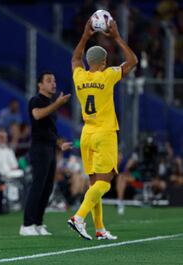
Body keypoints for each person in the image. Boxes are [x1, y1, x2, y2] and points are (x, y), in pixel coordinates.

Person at [67, 19, 138, 240]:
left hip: (86, 133)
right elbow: (133, 60)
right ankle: (78, 217)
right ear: (103, 62)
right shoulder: (106, 76)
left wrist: (86, 35)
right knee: (104, 184)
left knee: (93, 184)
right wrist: (116, 36)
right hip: (104, 133)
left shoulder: (80, 76)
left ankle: (99, 229)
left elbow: (75, 58)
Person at [20, 71, 71, 236]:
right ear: (40, 85)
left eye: (54, 80)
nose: (53, 84)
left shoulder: (49, 102)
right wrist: (57, 104)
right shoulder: (36, 100)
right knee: (37, 186)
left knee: (47, 187)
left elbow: (49, 130)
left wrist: (59, 144)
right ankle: (26, 224)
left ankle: (38, 223)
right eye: (49, 81)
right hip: (39, 148)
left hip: (50, 148)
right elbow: (37, 115)